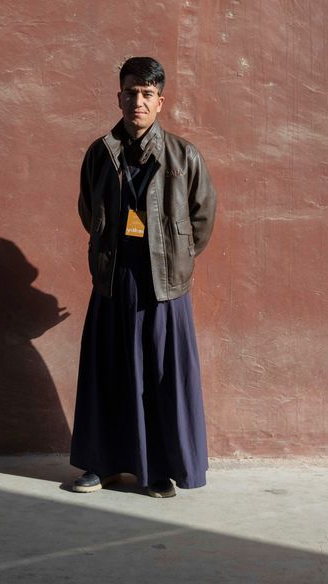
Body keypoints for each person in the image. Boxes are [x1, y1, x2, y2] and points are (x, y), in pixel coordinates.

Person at [70, 56, 217, 498]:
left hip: (163, 286)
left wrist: (175, 259)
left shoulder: (183, 155)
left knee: (160, 376)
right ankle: (103, 466)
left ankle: (158, 470)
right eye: (131, 92)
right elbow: (86, 209)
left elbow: (202, 218)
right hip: (114, 278)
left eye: (147, 94)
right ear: (119, 96)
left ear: (161, 102)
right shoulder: (101, 153)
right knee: (108, 372)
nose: (138, 101)